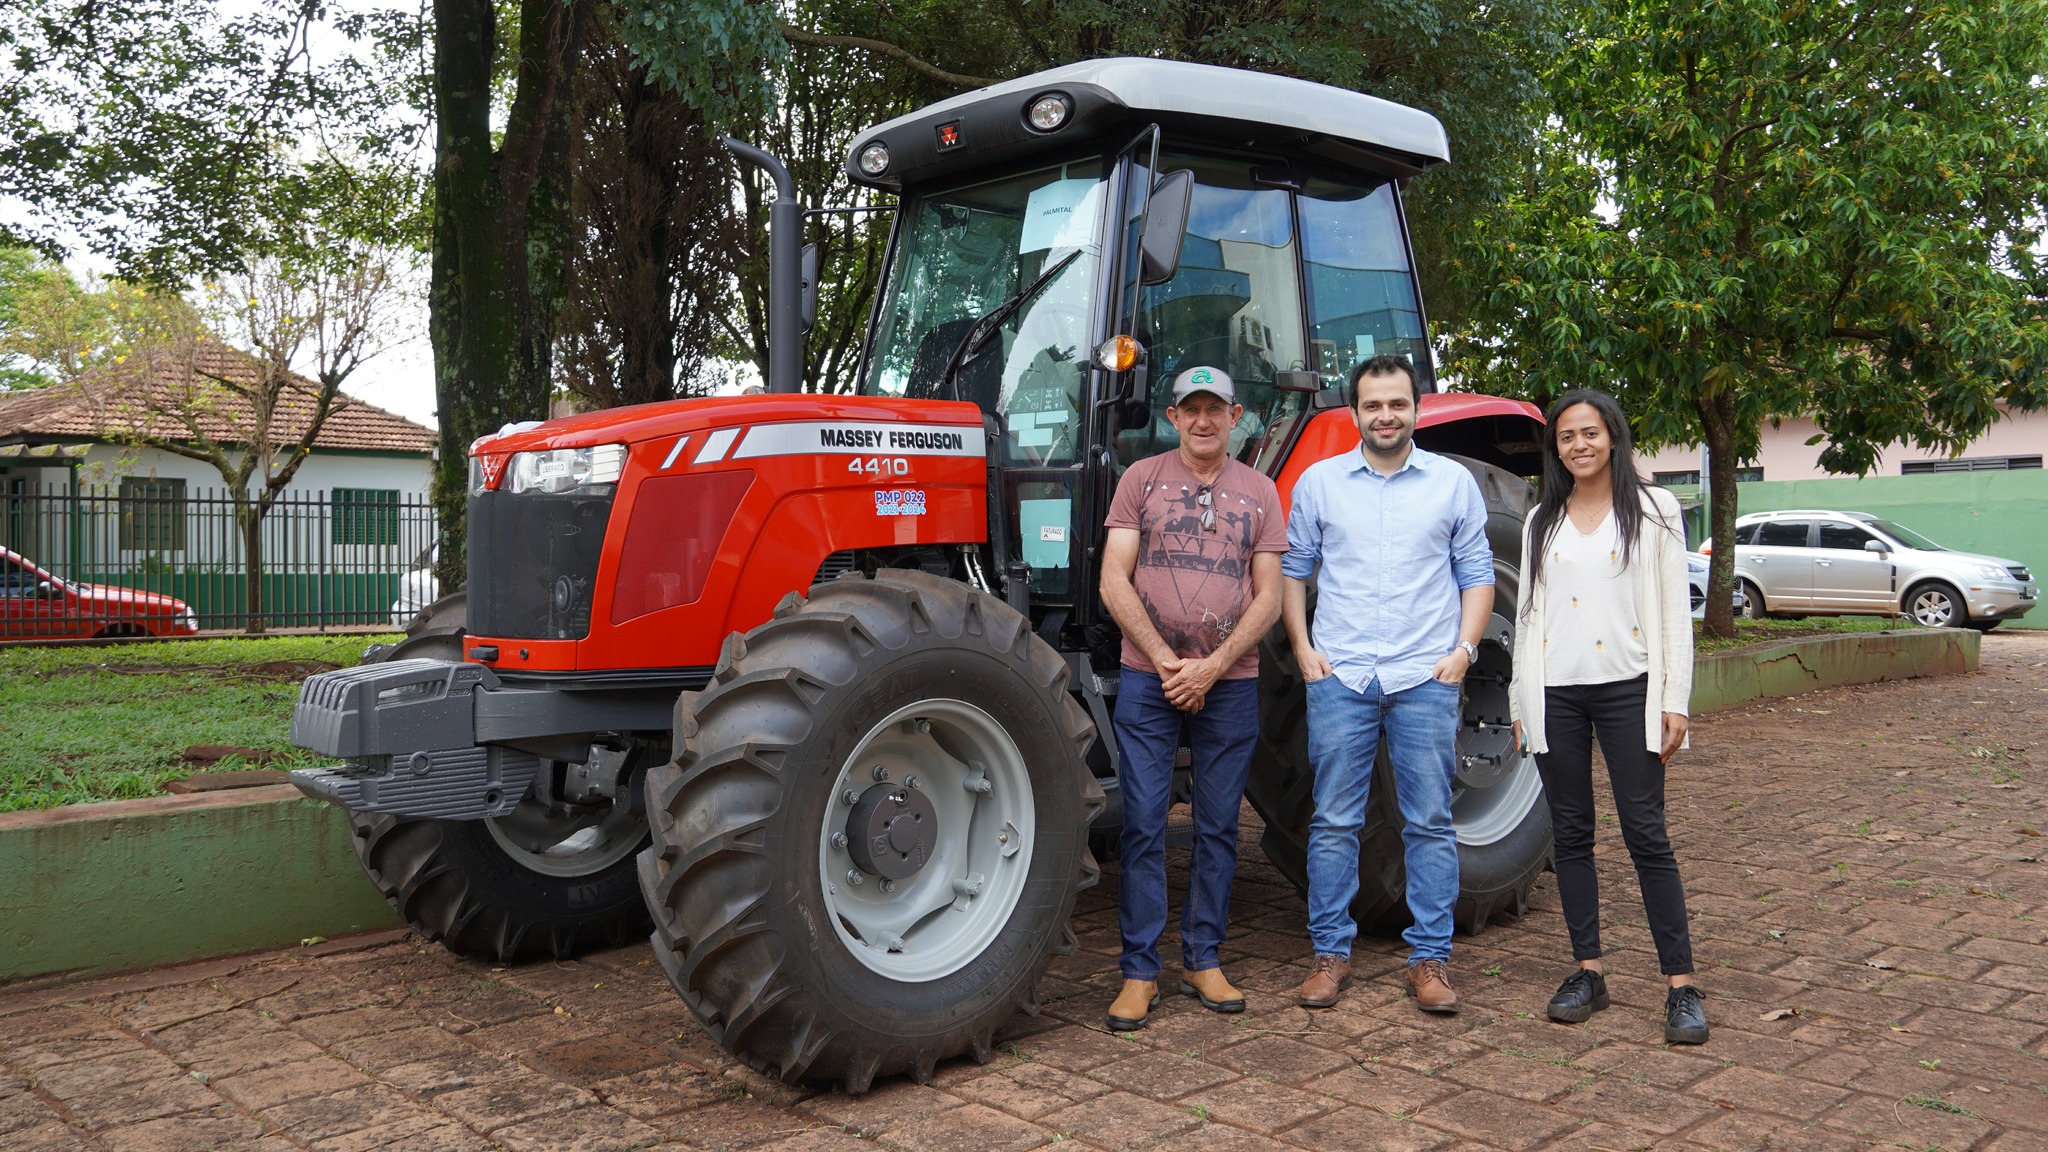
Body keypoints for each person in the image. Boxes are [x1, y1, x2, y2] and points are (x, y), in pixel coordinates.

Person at [1282, 354, 1494, 1014]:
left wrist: (1464, 650)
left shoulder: (1453, 483)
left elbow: (1477, 574)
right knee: (1334, 821)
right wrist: (1302, 647)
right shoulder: (1319, 483)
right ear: (1355, 413)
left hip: (1424, 674)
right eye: (1373, 405)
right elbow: (1293, 569)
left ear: (1416, 409)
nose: (1385, 415)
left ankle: (1429, 961)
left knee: (1428, 820)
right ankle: (1329, 955)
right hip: (1342, 673)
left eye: (1397, 403)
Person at [1509, 389, 1707, 1044]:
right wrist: (1520, 704)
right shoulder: (1542, 520)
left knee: (1646, 831)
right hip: (1557, 692)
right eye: (1567, 437)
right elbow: (1529, 618)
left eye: (1590, 433)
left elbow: (1676, 612)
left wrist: (1675, 696)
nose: (1580, 446)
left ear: (1613, 437)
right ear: (1556, 448)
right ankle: (1588, 970)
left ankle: (1680, 984)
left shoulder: (1653, 511)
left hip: (1630, 688)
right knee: (1570, 834)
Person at [1098, 365, 1287, 1031]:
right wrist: (1165, 659)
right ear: (1173, 417)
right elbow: (1113, 579)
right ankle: (1140, 971)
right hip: (1151, 681)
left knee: (1217, 828)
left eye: (1216, 409)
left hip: (1229, 685)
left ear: (1236, 417)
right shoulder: (1139, 481)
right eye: (1190, 409)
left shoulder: (1260, 492)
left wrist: (1211, 668)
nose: (1203, 420)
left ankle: (1204, 958)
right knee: (1145, 823)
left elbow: (1269, 596)